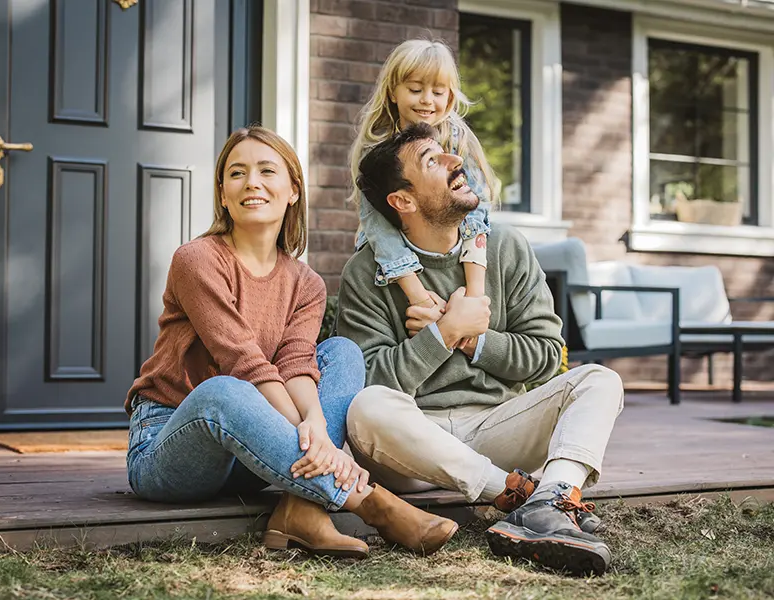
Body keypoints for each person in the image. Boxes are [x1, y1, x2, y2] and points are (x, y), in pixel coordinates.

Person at [125, 126, 457, 560]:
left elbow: (296, 362)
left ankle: (301, 508)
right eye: (237, 173)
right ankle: (374, 504)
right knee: (226, 391)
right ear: (223, 193)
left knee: (342, 353)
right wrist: (317, 440)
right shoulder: (197, 260)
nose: (252, 183)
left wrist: (317, 426)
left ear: (293, 190)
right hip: (171, 447)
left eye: (267, 170)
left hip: (255, 451)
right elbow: (242, 360)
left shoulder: (305, 283)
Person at [336, 122, 625, 575]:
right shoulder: (365, 271)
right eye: (433, 161)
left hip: (497, 426)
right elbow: (366, 379)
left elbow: (547, 353)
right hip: (412, 443)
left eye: (447, 153)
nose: (456, 162)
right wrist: (443, 334)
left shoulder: (506, 247)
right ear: (403, 201)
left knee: (599, 380)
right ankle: (513, 494)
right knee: (366, 407)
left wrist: (474, 339)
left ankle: (552, 498)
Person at [349, 39, 496, 342]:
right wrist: (419, 297)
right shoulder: (376, 147)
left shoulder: (456, 140)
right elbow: (378, 229)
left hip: (455, 248)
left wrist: (473, 296)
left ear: (451, 96)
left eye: (438, 92)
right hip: (392, 254)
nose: (427, 100)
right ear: (393, 91)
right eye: (415, 90)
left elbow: (476, 210)